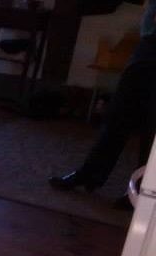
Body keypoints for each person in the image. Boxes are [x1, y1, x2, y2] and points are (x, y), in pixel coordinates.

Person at [49, 0, 156, 195]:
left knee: (152, 127)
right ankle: (89, 175)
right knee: (118, 115)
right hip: (149, 43)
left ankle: (144, 193)